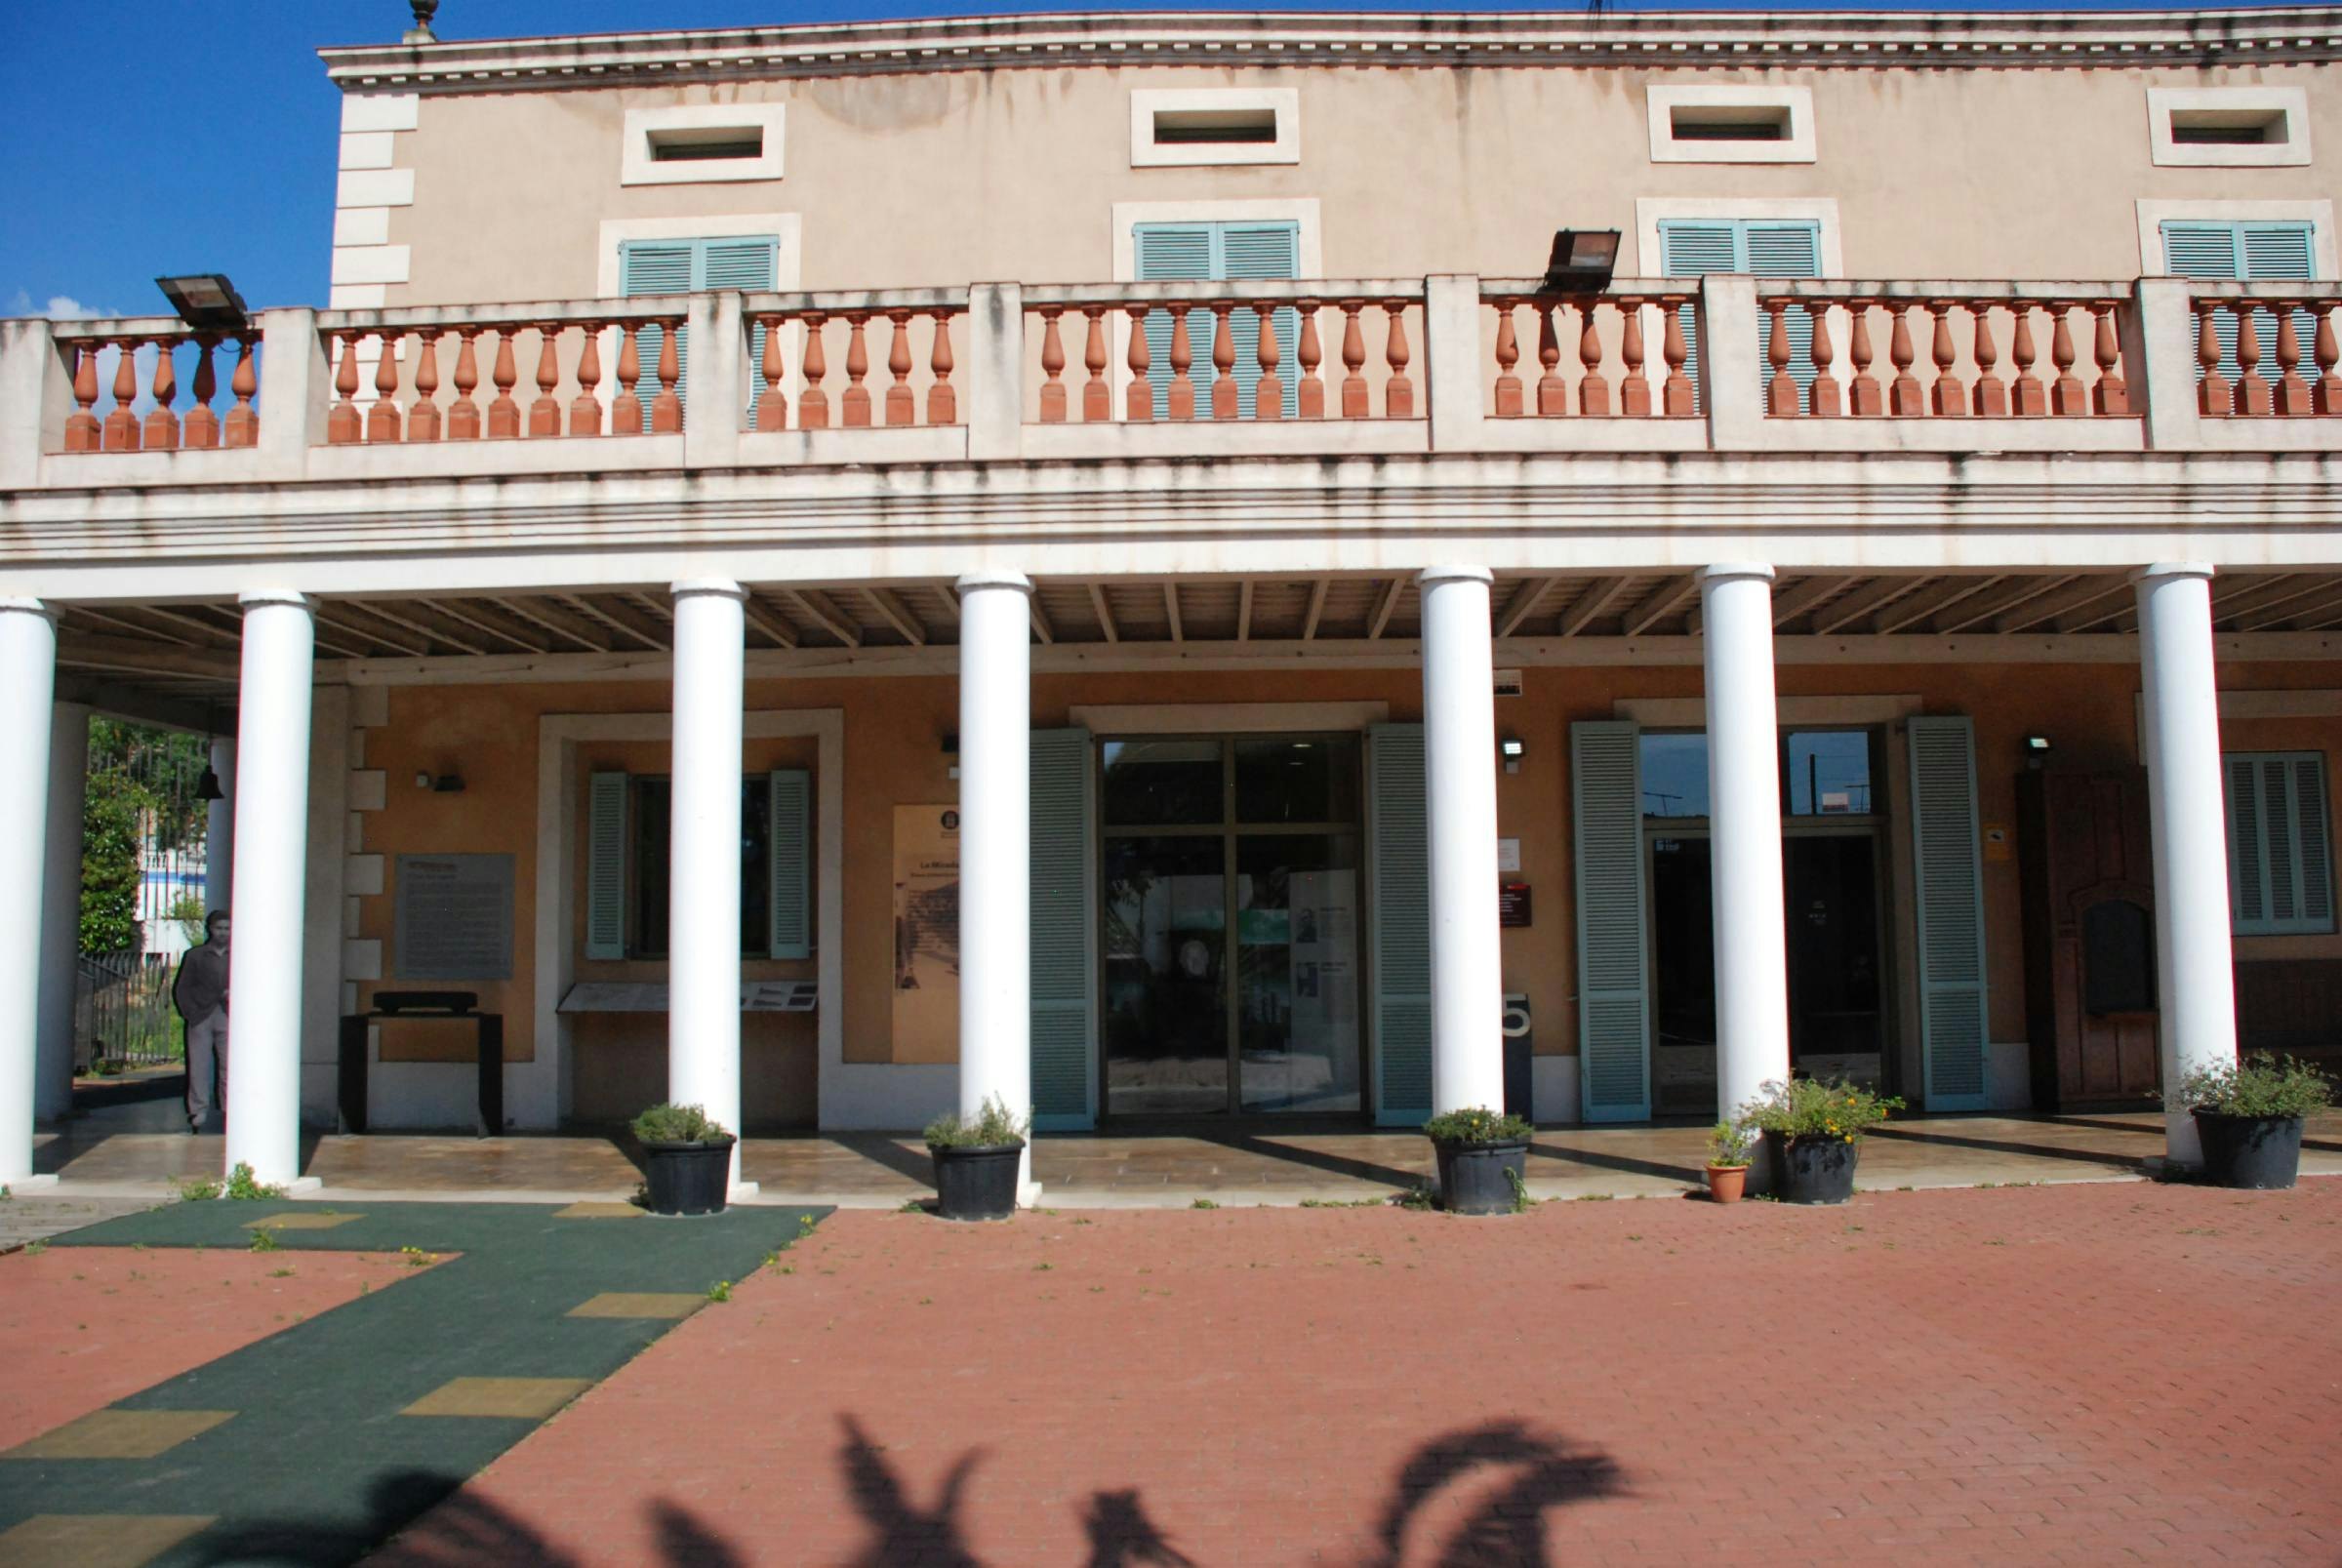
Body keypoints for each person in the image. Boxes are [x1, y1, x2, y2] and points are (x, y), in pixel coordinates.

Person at [174, 911, 230, 1133]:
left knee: (229, 1065)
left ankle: (228, 1107)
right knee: (198, 1064)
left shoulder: (238, 956)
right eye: (219, 928)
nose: (223, 933)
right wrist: (190, 1013)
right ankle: (198, 1109)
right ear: (210, 929)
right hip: (201, 1016)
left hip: (227, 1014)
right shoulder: (195, 956)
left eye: (227, 929)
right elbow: (182, 988)